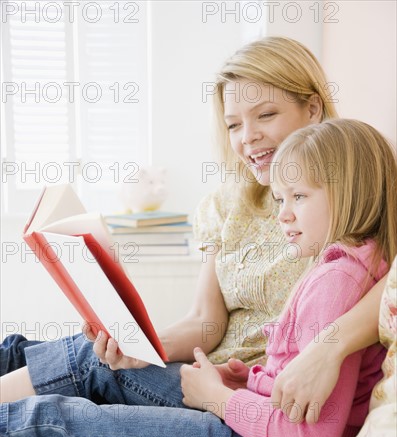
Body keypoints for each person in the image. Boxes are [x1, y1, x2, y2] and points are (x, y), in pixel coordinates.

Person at [0, 37, 387, 416]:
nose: (248, 137)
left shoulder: (352, 196)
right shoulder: (228, 203)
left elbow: (390, 286)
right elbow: (206, 322)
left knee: (83, 359)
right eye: (233, 124)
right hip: (206, 372)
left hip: (245, 395)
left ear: (314, 109)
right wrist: (145, 348)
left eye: (266, 115)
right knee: (27, 350)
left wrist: (326, 349)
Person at [1, 118, 396, 437]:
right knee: (99, 367)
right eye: (280, 200)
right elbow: (296, 387)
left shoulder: (337, 282)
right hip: (255, 422)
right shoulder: (353, 266)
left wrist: (219, 399)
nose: (284, 215)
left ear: (350, 191)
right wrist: (251, 382)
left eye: (299, 197)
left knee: (56, 421)